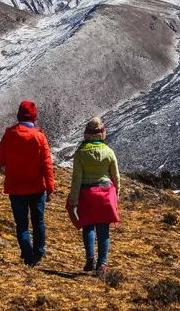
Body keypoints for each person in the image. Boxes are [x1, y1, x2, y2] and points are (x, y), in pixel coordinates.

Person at [0, 100, 55, 266]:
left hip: (15, 187)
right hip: (36, 187)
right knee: (38, 221)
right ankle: (38, 252)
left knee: (21, 224)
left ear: (18, 116)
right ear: (34, 117)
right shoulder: (39, 136)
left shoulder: (9, 134)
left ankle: (28, 256)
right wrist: (50, 187)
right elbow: (47, 164)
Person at [68, 117, 120, 276]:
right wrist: (116, 195)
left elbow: (76, 179)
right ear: (102, 133)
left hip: (87, 194)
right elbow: (116, 177)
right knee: (104, 229)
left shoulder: (80, 153)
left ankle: (90, 258)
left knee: (88, 226)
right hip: (105, 194)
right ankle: (102, 264)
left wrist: (73, 201)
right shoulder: (109, 152)